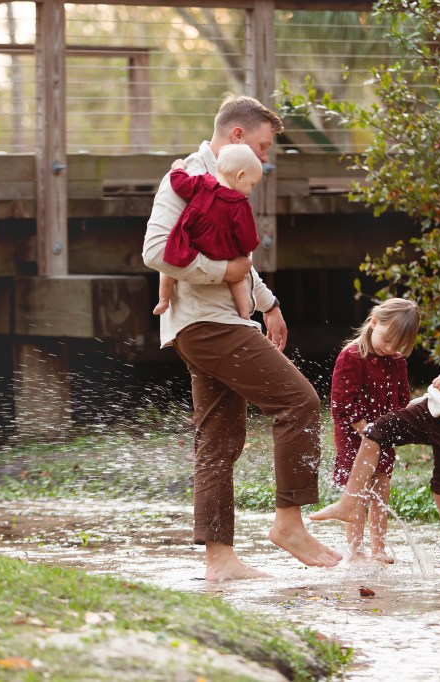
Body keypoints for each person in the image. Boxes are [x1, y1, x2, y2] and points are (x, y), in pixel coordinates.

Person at [142, 94, 342, 581]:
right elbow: (154, 252)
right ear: (237, 136)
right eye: (264, 146)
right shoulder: (186, 178)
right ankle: (289, 523)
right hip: (207, 325)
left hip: (220, 323)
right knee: (299, 402)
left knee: (217, 442)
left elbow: (239, 258)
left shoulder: (230, 179)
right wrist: (221, 272)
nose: (266, 158)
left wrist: (269, 304)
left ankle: (220, 561)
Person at [311, 259, 440, 577]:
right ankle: (352, 518)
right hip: (427, 410)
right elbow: (344, 402)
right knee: (376, 435)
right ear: (374, 323)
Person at [329, 298, 420, 564]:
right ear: (374, 322)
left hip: (383, 435)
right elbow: (342, 403)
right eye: (387, 339)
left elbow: (402, 399)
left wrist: (394, 427)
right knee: (358, 490)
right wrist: (367, 433)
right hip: (353, 435)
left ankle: (379, 546)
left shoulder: (396, 361)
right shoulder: (352, 356)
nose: (390, 348)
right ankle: (355, 549)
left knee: (381, 487)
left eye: (398, 345)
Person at [153, 144, 264, 320]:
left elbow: (180, 185)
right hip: (223, 252)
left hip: (193, 242)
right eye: (251, 184)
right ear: (240, 175)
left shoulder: (201, 183)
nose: (250, 189)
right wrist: (247, 250)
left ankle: (163, 300)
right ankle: (244, 313)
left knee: (170, 266)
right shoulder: (240, 205)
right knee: (237, 278)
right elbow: (247, 237)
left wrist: (178, 168)